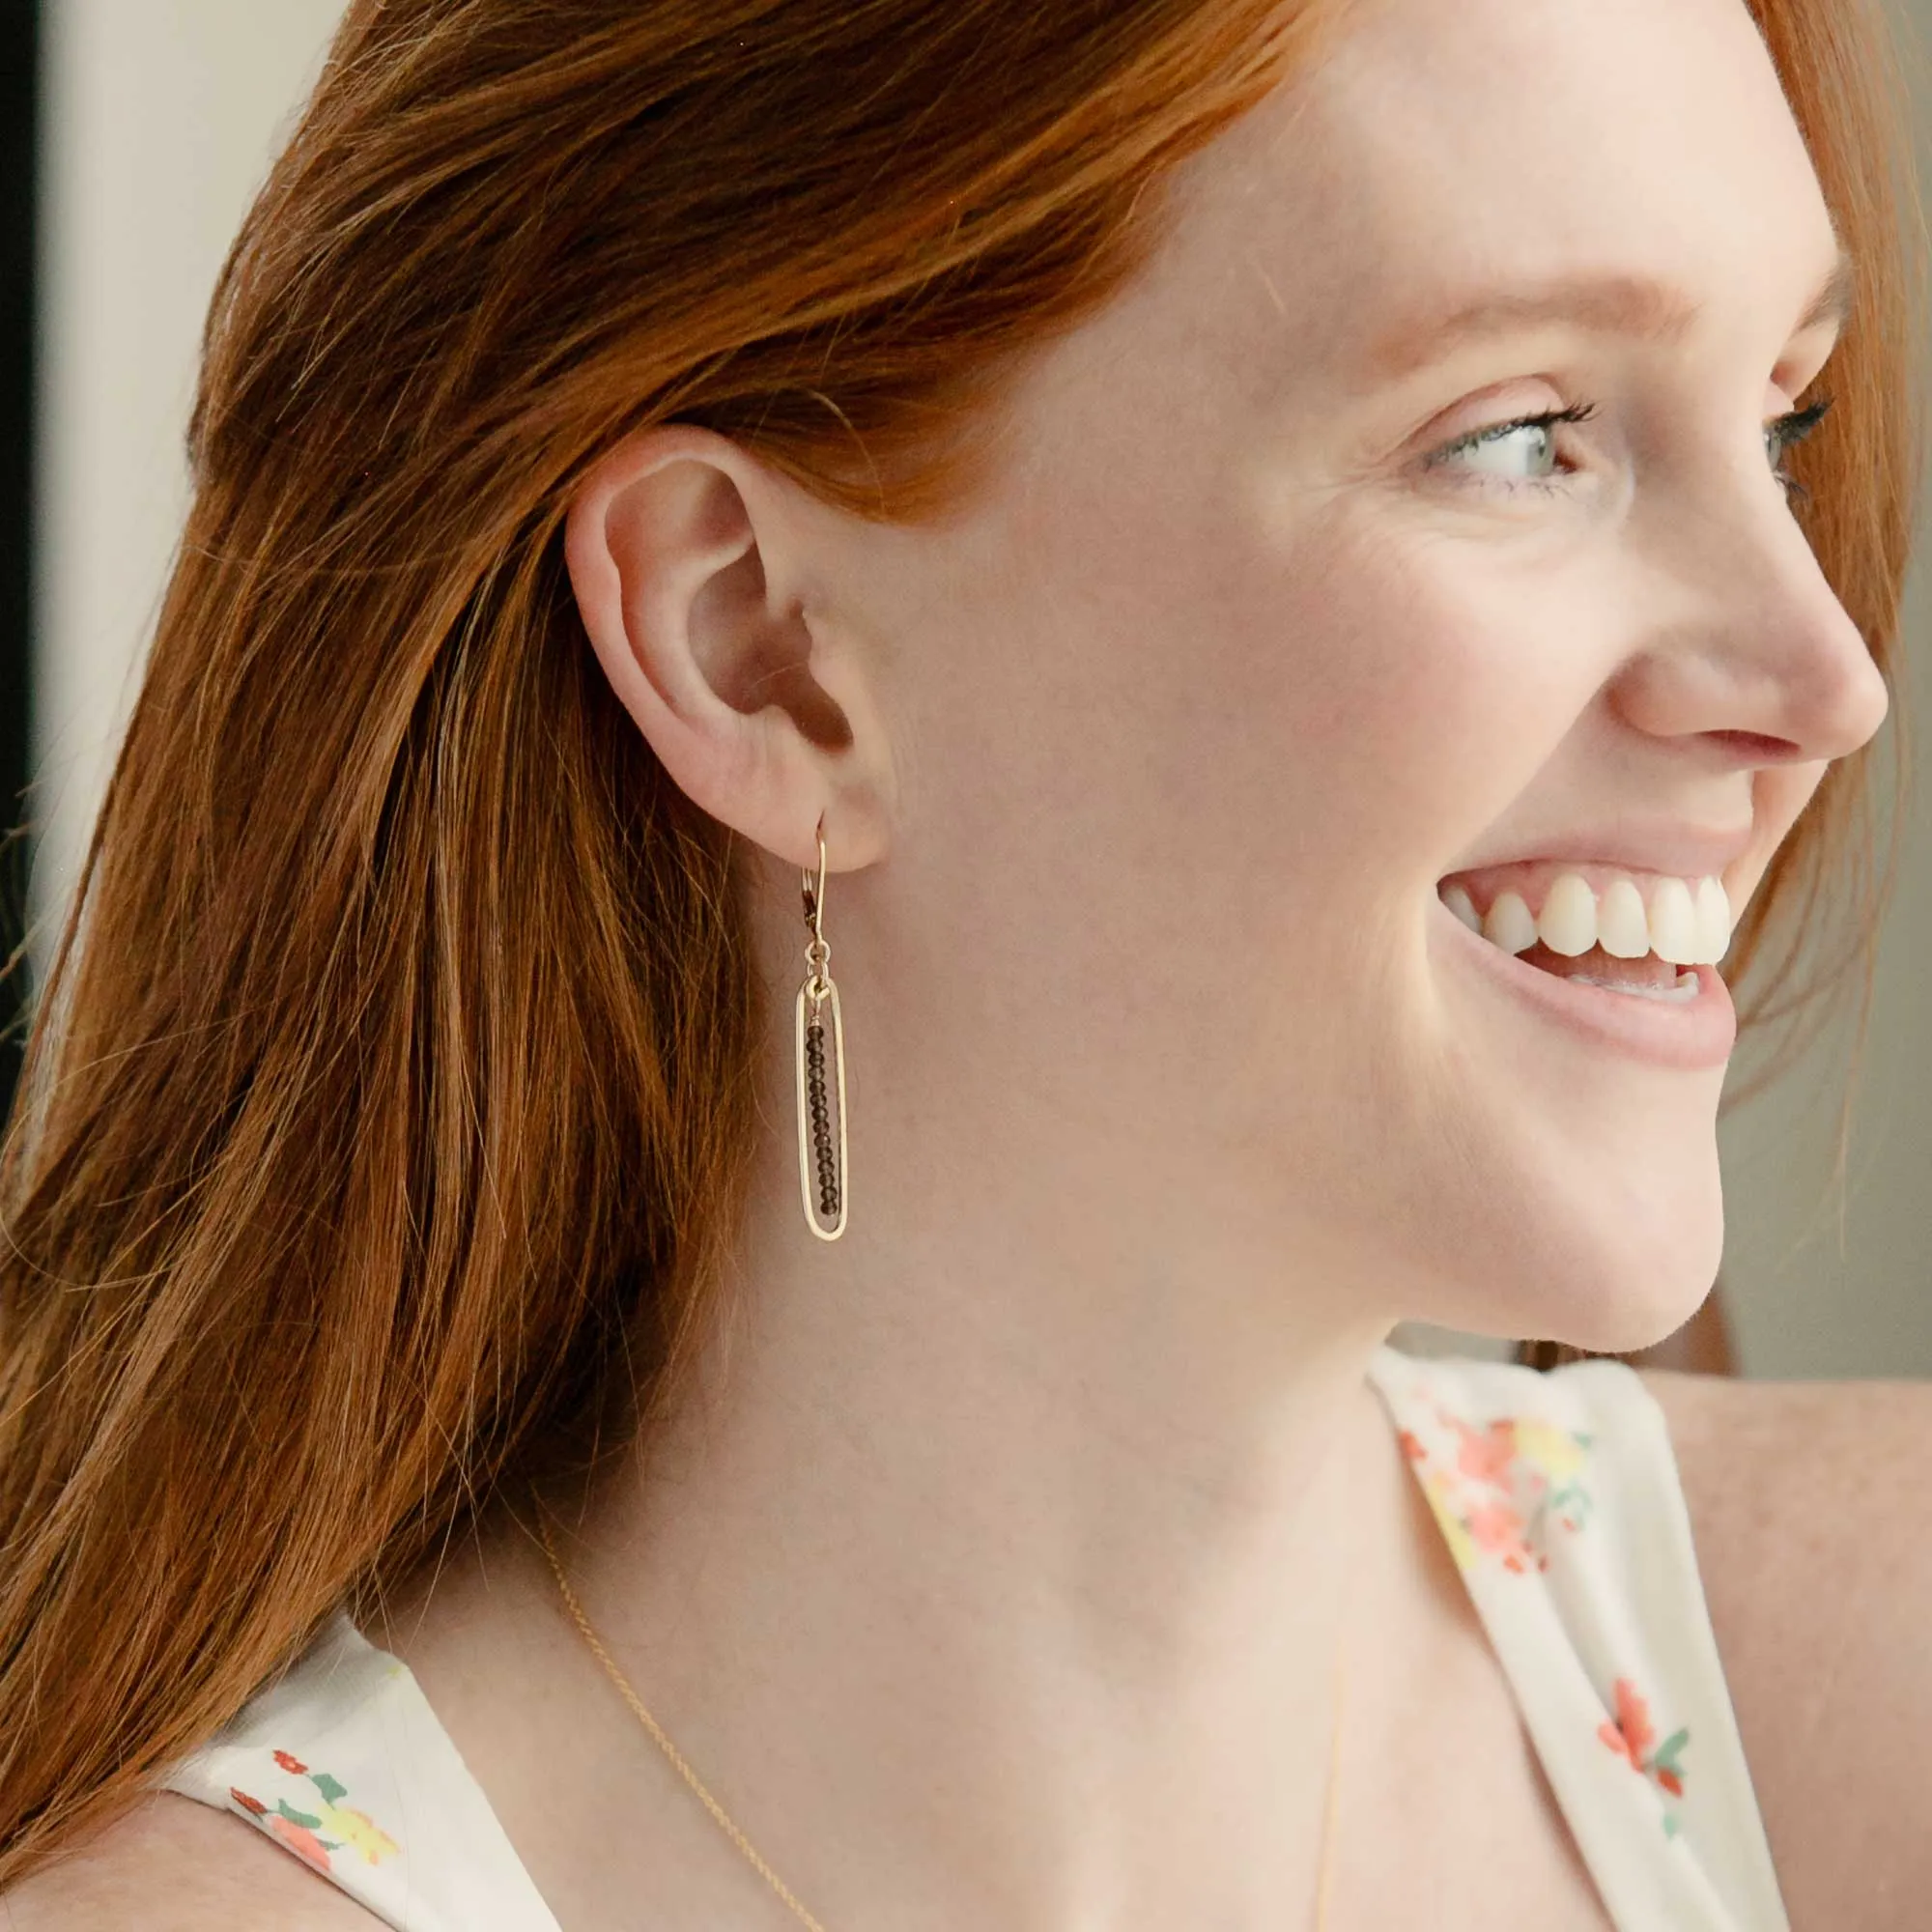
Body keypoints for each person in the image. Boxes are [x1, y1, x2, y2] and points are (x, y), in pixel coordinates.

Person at [3, 0, 1928, 1923]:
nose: (1821, 681)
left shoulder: (1869, 1713)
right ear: (761, 649)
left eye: (1782, 415)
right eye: (1517, 437)